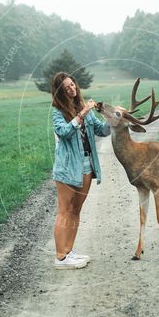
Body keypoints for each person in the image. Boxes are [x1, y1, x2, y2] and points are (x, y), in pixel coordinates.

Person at [51, 72, 111, 269]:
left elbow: (102, 130)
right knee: (64, 210)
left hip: (86, 165)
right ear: (60, 91)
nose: (72, 88)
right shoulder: (57, 111)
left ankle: (68, 250)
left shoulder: (81, 108)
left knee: (76, 210)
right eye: (67, 86)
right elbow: (64, 132)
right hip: (68, 167)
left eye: (73, 84)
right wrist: (83, 113)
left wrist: (113, 117)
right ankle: (60, 257)